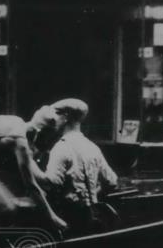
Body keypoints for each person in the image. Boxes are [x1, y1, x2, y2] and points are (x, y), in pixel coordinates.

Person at [42, 98, 119, 234]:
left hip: (68, 217)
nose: (53, 120)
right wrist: (91, 196)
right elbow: (111, 181)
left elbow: (51, 184)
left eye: (55, 115)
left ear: (65, 117)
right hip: (94, 215)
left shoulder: (61, 147)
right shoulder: (92, 147)